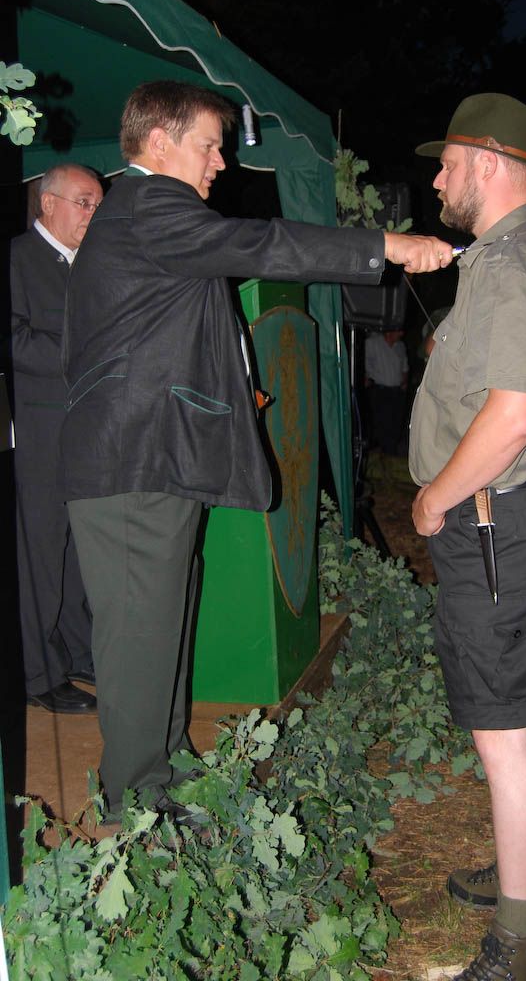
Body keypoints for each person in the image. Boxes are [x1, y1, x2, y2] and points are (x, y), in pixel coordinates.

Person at [59, 79, 453, 822]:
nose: (221, 163)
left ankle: (163, 768)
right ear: (159, 142)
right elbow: (259, 242)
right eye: (209, 146)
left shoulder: (140, 219)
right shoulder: (149, 203)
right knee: (140, 634)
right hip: (136, 459)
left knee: (163, 624)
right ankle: (133, 802)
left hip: (147, 454)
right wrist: (385, 245)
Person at [409, 93, 526, 980]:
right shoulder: (518, 254)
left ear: (486, 161)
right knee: (524, 703)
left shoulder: (511, 262)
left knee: (502, 730)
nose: (437, 181)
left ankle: (518, 946)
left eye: (445, 164)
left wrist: (432, 498)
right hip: (512, 519)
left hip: (488, 518)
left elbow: (512, 415)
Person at [11, 164, 102, 714]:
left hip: (83, 436)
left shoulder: (87, 265)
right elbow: (15, 341)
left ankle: (77, 651)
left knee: (74, 555)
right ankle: (36, 674)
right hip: (37, 437)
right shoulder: (17, 259)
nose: (94, 214)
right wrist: (83, 357)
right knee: (39, 558)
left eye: (97, 205)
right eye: (84, 202)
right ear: (48, 204)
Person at [364, 328, 408, 453]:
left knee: (395, 425)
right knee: (380, 425)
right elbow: (364, 361)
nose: (401, 333)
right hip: (379, 391)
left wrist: (404, 382)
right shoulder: (373, 342)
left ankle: (390, 453)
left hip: (396, 392)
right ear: (389, 331)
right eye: (398, 330)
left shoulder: (400, 346)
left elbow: (405, 368)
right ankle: (381, 453)